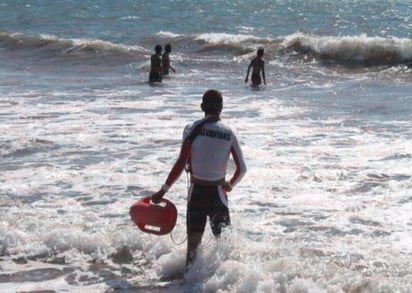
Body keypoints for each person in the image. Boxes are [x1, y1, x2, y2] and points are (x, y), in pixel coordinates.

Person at [151, 89, 247, 267]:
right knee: (224, 247)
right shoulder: (229, 132)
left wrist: (162, 191)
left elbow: (181, 164)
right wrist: (230, 185)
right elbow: (242, 169)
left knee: (193, 247)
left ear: (202, 106)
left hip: (196, 194)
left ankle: (189, 284)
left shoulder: (191, 129)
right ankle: (225, 284)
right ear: (222, 108)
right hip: (218, 194)